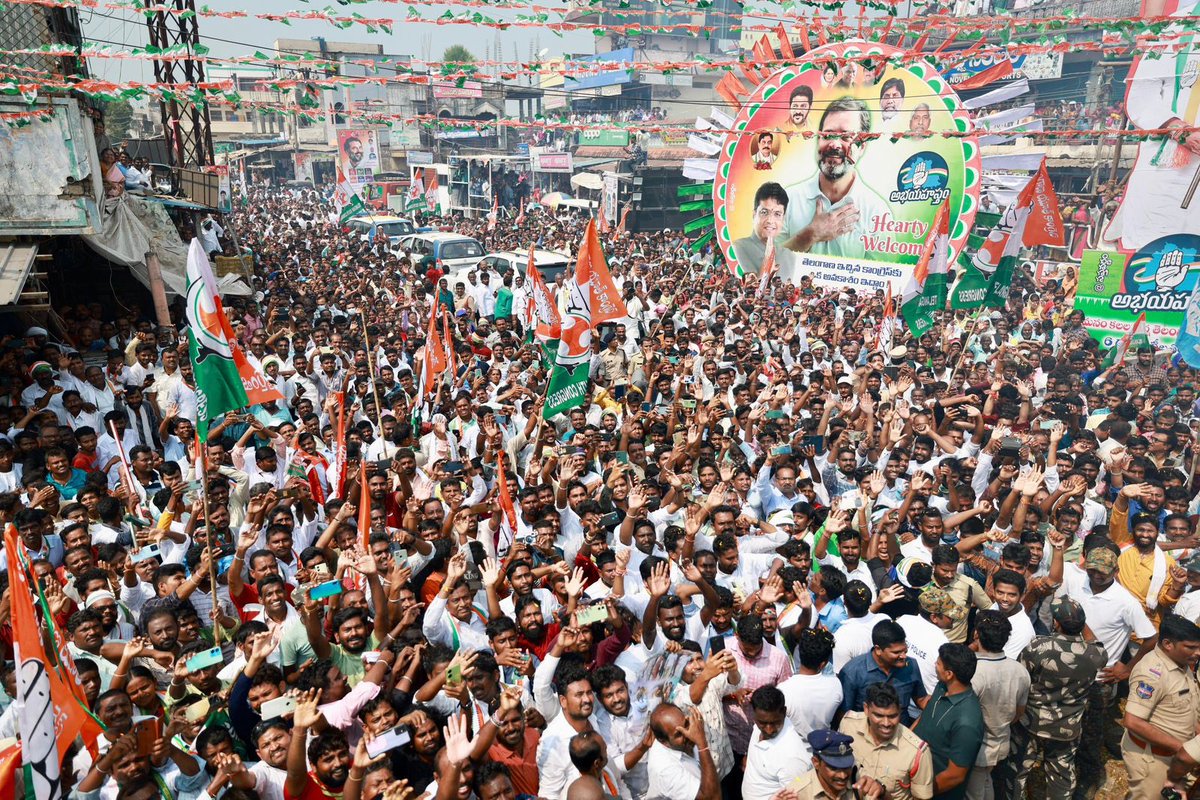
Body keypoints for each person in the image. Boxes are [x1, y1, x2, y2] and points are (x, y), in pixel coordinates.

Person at [1004, 597, 1108, 800]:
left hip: (1031, 721)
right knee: (1061, 774)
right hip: (1066, 727)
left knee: (1018, 769)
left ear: (1056, 623)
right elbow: (1094, 641)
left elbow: (1021, 677)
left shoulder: (1039, 647)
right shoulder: (1095, 654)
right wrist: (1078, 621)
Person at [782, 97, 888, 259]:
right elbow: (765, 264)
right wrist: (811, 234)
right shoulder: (787, 200)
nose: (834, 144)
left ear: (861, 148)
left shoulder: (877, 212)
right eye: (828, 135)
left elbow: (882, 278)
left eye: (846, 137)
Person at [1120, 613, 1200, 800]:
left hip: (1176, 757)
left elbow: (1186, 708)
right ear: (1168, 644)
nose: (1198, 652)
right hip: (1153, 759)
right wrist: (1183, 749)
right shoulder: (1151, 673)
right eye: (1191, 647)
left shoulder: (1182, 662)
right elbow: (1132, 721)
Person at [912, 644, 985, 800]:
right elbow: (924, 717)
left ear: (949, 673)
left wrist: (919, 792)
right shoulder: (942, 686)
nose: (935, 666)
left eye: (938, 663)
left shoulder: (967, 721)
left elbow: (954, 775)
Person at [838, 682, 935, 800]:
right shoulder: (848, 725)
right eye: (878, 715)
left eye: (892, 716)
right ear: (866, 709)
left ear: (900, 711)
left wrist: (883, 793)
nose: (886, 723)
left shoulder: (917, 752)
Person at [786, 729, 886, 799]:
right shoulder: (797, 793)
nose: (843, 776)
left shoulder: (858, 779)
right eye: (834, 768)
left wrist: (882, 792)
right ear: (816, 763)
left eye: (846, 767)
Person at [732, 182, 797, 279]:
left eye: (777, 214)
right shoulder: (737, 248)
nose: (770, 220)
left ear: (783, 219)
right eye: (764, 212)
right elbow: (751, 290)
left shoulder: (789, 256)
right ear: (754, 215)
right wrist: (768, 259)